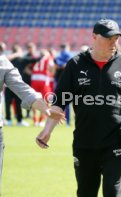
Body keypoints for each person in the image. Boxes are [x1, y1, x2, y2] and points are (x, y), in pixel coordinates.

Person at [36, 19, 121, 197]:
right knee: (86, 192)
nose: (113, 42)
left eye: (116, 38)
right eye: (108, 38)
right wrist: (47, 129)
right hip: (85, 141)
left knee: (113, 191)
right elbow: (60, 102)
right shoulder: (75, 64)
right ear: (94, 37)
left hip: (117, 140)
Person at [0, 55, 65, 192]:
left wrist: (45, 109)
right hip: (42, 80)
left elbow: (23, 90)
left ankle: (36, 120)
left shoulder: (2, 61)